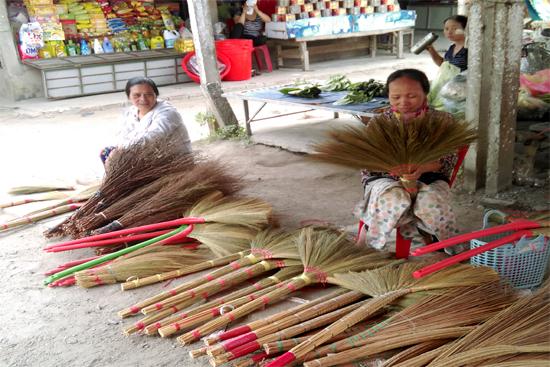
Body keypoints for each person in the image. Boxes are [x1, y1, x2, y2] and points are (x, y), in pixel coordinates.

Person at [357, 69, 461, 251]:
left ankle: (446, 246)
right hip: (386, 178)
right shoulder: (380, 123)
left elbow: (447, 160)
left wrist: (420, 168)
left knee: (430, 202)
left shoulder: (443, 121)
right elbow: (367, 162)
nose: (403, 102)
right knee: (395, 199)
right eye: (396, 97)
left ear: (425, 93)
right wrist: (391, 168)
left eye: (411, 96)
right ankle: (370, 246)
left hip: (430, 177)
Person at [100, 77, 192, 164]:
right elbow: (121, 134)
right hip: (146, 155)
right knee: (106, 152)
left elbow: (153, 137)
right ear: (129, 97)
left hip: (170, 159)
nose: (143, 99)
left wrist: (121, 148)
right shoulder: (130, 113)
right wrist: (118, 149)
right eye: (137, 95)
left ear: (156, 95)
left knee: (121, 155)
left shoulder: (168, 113)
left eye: (148, 94)